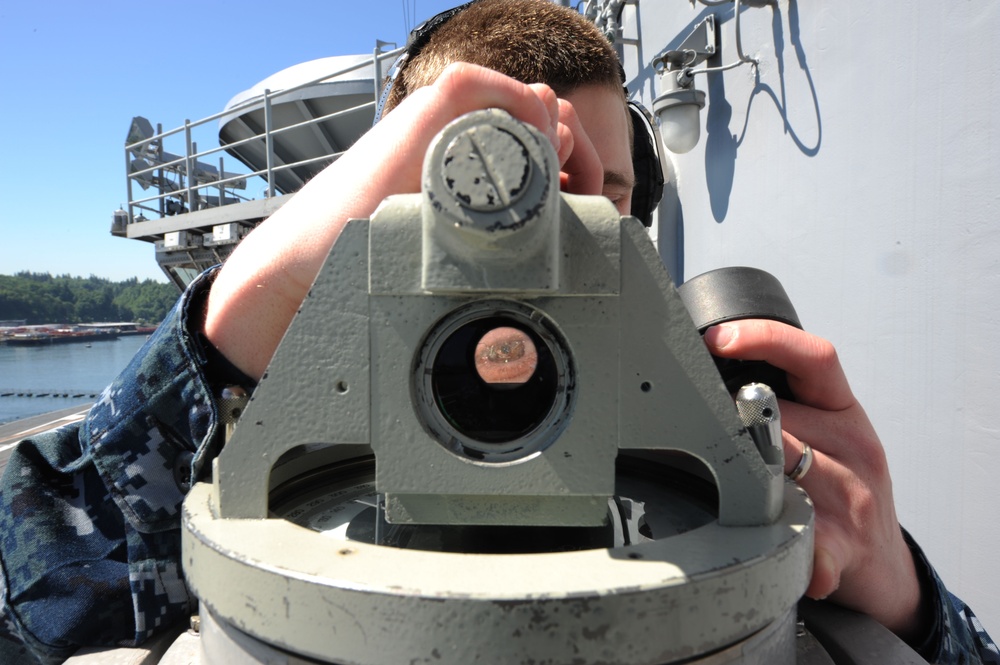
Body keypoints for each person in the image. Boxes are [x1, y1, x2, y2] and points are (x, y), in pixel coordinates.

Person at [0, 1, 995, 663]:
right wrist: (241, 316)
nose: (552, 242)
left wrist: (900, 597)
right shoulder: (285, 405)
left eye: (600, 204)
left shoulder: (702, 427)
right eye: (501, 198)